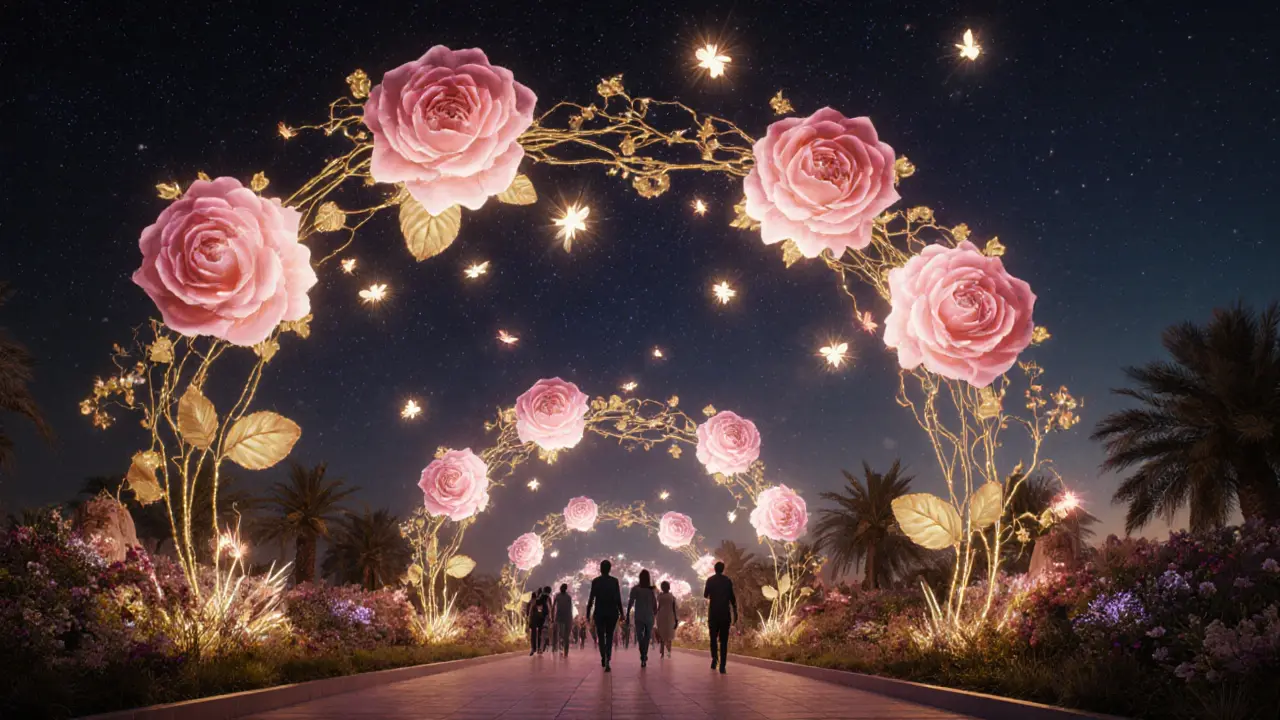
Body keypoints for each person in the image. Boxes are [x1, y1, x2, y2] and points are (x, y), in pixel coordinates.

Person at [586, 559, 623, 672]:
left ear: (600, 569)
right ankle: (608, 658)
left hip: (600, 612)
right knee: (610, 635)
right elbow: (618, 598)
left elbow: (591, 598)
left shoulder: (596, 581)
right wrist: (622, 613)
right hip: (612, 612)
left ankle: (603, 656)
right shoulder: (614, 581)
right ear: (609, 569)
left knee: (601, 635)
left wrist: (588, 613)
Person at [703, 561, 738, 673]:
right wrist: (735, 612)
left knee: (713, 638)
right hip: (724, 614)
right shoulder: (727, 581)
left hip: (713, 613)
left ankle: (714, 659)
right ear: (723, 569)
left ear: (714, 569)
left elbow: (705, 595)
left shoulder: (710, 580)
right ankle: (723, 665)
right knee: (724, 641)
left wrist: (713, 594)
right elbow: (732, 598)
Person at [626, 569, 657, 667]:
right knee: (647, 636)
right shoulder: (651, 590)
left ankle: (642, 653)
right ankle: (644, 654)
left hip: (639, 616)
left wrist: (627, 614)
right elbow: (654, 604)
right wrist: (655, 613)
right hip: (649, 616)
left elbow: (631, 602)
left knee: (639, 636)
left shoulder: (635, 589)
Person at [654, 579, 680, 659]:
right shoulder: (672, 597)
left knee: (662, 634)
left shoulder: (660, 597)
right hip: (670, 617)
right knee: (669, 635)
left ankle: (662, 652)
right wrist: (676, 620)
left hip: (661, 616)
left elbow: (658, 608)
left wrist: (655, 616)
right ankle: (669, 651)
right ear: (669, 587)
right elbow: (674, 609)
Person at [527, 586, 550, 656]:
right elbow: (547, 609)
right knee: (539, 633)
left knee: (534, 633)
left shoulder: (538, 598)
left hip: (536, 617)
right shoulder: (545, 598)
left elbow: (529, 607)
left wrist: (528, 615)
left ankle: (534, 648)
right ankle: (537, 648)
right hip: (539, 618)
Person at [553, 583, 574, 657]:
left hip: (564, 618)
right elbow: (554, 606)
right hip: (561, 618)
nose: (561, 589)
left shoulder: (566, 597)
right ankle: (563, 649)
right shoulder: (559, 596)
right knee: (562, 635)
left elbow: (570, 608)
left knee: (564, 635)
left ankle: (565, 651)